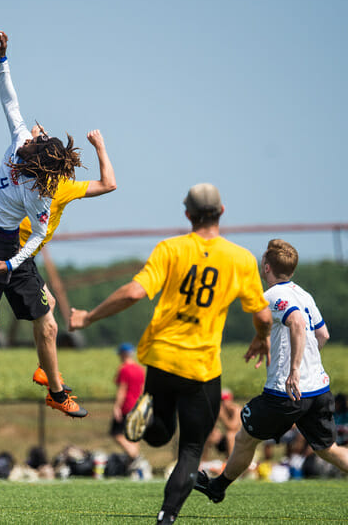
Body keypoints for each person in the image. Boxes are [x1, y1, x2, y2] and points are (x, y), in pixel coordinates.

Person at [69, 183, 273, 525]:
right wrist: (261, 337)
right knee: (191, 451)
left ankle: (145, 416)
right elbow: (263, 315)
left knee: (160, 433)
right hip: (201, 368)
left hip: (161, 358)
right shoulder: (240, 259)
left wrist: (88, 316)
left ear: (187, 215)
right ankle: (166, 518)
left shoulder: (170, 249)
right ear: (222, 212)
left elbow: (135, 292)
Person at [194, 239, 348, 522]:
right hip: (319, 389)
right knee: (329, 449)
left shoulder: (273, 295)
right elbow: (323, 335)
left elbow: (297, 324)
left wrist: (294, 370)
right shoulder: (304, 295)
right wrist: (306, 366)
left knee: (244, 435)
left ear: (266, 267)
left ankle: (217, 488)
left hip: (286, 393)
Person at [0, 30, 89, 417]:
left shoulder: (38, 193)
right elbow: (10, 101)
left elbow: (40, 233)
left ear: (35, 159)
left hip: (6, 249)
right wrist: (2, 60)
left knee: (21, 314)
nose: (29, 135)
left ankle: (38, 386)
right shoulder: (20, 141)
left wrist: (10, 263)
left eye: (34, 140)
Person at [0, 126, 116, 400]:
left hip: (15, 252)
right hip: (14, 255)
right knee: (43, 321)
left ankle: (39, 371)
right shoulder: (61, 187)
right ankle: (49, 386)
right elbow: (109, 184)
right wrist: (99, 146)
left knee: (46, 308)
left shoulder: (31, 180)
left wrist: (37, 140)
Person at [110, 343, 145, 464]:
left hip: (127, 406)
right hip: (139, 406)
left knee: (116, 434)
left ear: (123, 354)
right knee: (134, 437)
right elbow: (142, 389)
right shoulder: (140, 369)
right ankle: (133, 465)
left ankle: (135, 457)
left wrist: (117, 407)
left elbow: (122, 389)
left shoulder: (124, 369)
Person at [202, 389, 242, 461]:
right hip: (226, 440)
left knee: (230, 435)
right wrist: (215, 431)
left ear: (231, 399)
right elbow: (210, 425)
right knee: (209, 436)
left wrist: (223, 416)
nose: (223, 402)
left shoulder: (237, 410)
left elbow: (233, 427)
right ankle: (202, 463)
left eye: (225, 399)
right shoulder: (221, 410)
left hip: (240, 440)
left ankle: (231, 462)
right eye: (221, 400)